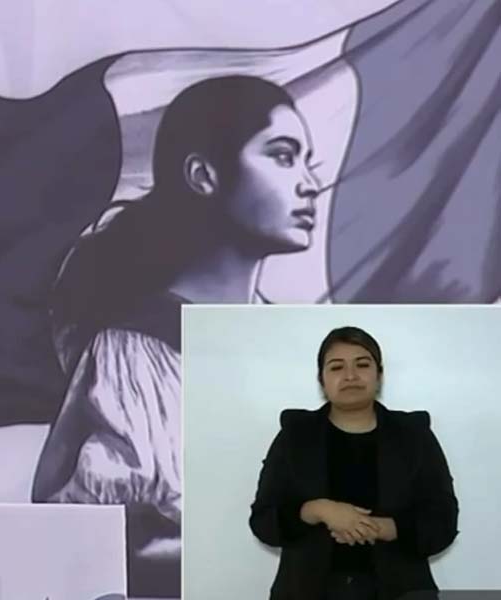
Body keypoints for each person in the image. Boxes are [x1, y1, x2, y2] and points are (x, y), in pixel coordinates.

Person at [31, 75, 322, 597]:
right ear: (203, 175)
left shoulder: (300, 348)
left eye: (306, 161)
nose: (309, 183)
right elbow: (109, 541)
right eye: (282, 156)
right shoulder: (137, 350)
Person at [249, 326, 459, 600]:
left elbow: (443, 521)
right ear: (321, 379)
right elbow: (263, 521)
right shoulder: (295, 435)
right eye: (337, 367)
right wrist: (317, 510)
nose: (350, 375)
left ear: (379, 375)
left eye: (362, 364)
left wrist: (381, 528)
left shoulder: (414, 434)